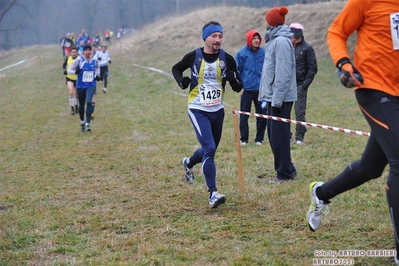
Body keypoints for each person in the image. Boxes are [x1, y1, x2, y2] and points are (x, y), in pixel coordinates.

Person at [306, 1, 399, 264]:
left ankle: (321, 193)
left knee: (371, 167)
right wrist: (344, 63)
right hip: (373, 88)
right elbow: (336, 31)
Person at [171, 21, 243, 208]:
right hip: (197, 108)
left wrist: (234, 80)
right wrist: (181, 81)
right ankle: (213, 193)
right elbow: (176, 68)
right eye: (214, 36)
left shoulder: (227, 59)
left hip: (217, 110)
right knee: (209, 148)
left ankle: (188, 162)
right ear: (205, 38)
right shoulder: (193, 56)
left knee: (208, 150)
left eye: (220, 36)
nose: (218, 39)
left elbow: (238, 86)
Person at [258, 6, 297, 183]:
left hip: (279, 99)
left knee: (279, 137)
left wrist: (276, 100)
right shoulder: (274, 40)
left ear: (271, 22)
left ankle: (284, 174)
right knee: (274, 136)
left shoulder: (281, 42)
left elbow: (283, 74)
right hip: (272, 97)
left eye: (267, 19)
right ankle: (288, 168)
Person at [235, 30, 267, 146]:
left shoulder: (264, 53)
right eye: (254, 38)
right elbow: (236, 71)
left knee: (262, 115)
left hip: (261, 91)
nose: (257, 41)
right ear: (249, 40)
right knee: (244, 115)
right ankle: (244, 139)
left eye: (258, 38)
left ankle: (259, 138)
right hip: (247, 90)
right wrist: (240, 86)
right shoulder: (241, 54)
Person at [289, 23, 318, 145]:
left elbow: (313, 68)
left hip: (301, 85)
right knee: (285, 112)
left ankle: (299, 137)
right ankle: (288, 136)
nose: (291, 37)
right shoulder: (287, 47)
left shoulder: (307, 48)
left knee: (299, 112)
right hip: (288, 85)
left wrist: (305, 84)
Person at [68, 44, 100, 132]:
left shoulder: (94, 60)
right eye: (86, 50)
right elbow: (69, 70)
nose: (88, 52)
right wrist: (75, 71)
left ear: (91, 51)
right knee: (81, 106)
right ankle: (82, 121)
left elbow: (97, 68)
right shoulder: (79, 60)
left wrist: (97, 75)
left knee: (89, 102)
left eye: (89, 50)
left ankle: (88, 124)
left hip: (91, 84)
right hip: (81, 86)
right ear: (84, 52)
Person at [62, 47, 79, 115]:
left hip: (77, 78)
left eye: (75, 52)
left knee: (76, 94)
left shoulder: (79, 59)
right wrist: (65, 70)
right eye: (72, 52)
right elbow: (64, 65)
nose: (74, 53)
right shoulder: (68, 58)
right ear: (70, 53)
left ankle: (76, 106)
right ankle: (72, 108)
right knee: (71, 92)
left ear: (77, 53)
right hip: (69, 78)